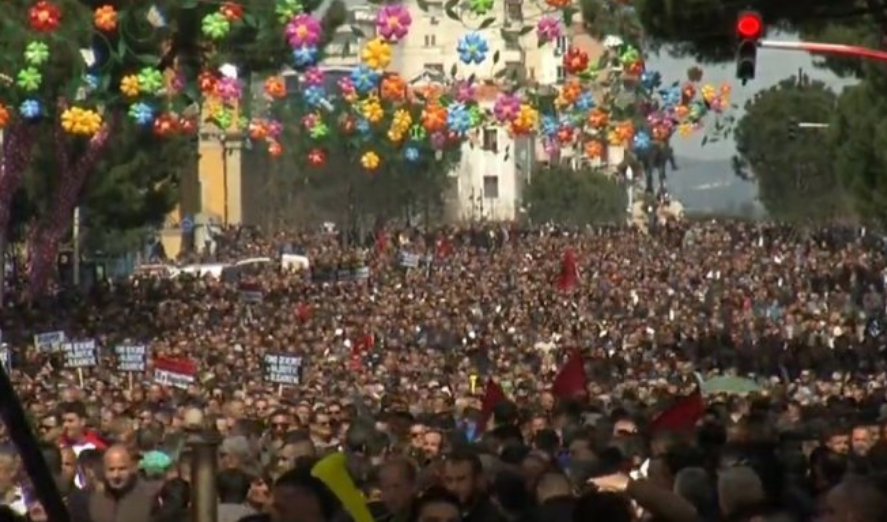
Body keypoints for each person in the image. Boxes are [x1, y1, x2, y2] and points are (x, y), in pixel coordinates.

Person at [73, 445, 159, 522]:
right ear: (104, 471)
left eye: (122, 469)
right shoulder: (95, 499)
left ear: (132, 468)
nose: (116, 475)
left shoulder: (149, 497)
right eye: (111, 469)